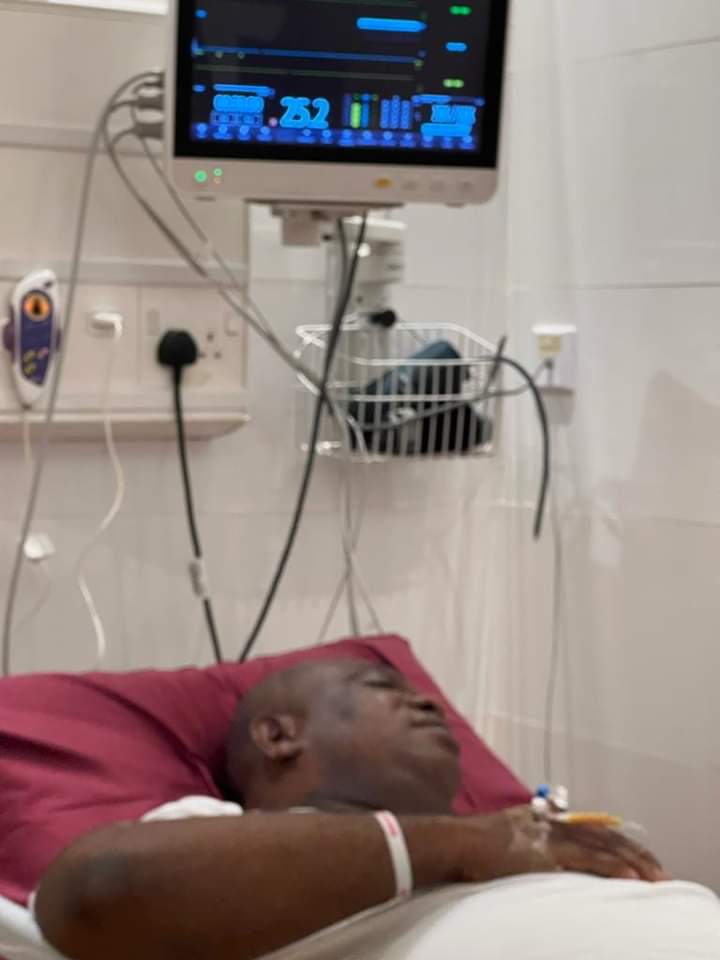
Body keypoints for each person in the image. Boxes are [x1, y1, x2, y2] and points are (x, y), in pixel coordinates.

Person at [33, 659, 676, 960]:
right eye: (381, 687)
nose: (429, 703)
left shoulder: (519, 840)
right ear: (278, 735)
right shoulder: (207, 837)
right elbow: (95, 892)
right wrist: (471, 845)